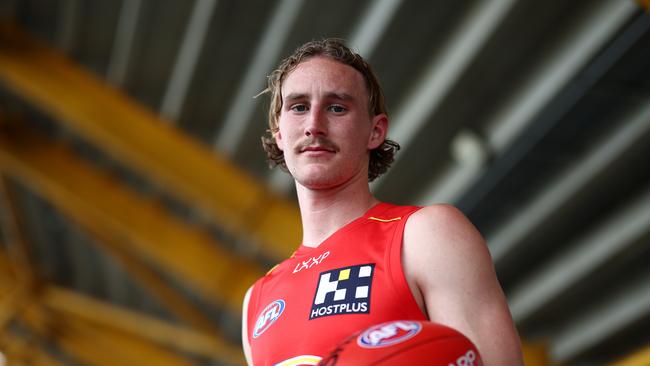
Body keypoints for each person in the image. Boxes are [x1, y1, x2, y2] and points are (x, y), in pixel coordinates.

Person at [241, 38, 523, 366]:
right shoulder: (257, 301)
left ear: (375, 132)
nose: (314, 126)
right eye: (299, 107)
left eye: (337, 107)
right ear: (279, 133)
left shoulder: (426, 235)